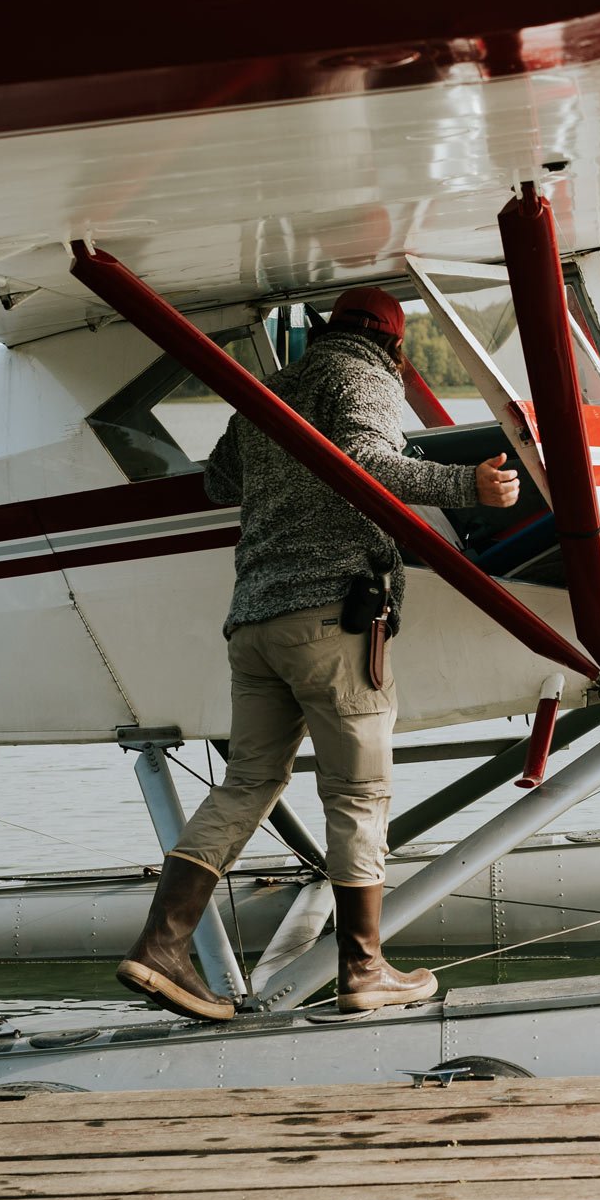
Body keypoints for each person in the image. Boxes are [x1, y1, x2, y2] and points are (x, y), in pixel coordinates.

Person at [116, 286, 519, 1020]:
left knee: (247, 784)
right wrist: (470, 485)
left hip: (255, 624)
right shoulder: (361, 373)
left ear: (329, 327)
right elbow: (367, 458)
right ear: (395, 348)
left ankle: (162, 945)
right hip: (331, 618)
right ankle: (364, 967)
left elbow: (218, 478)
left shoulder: (272, 389)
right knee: (358, 792)